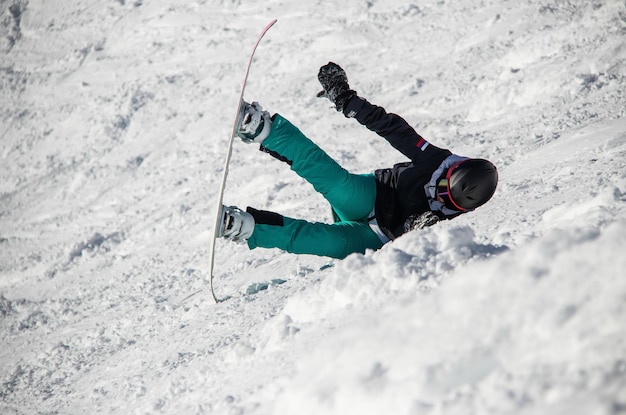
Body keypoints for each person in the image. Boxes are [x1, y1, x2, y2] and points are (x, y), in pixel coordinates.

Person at [217, 62, 498, 259]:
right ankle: (260, 128)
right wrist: (346, 99)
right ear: (453, 170)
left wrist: (414, 233)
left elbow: (428, 251)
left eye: (449, 201)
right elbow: (393, 129)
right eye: (443, 187)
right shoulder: (435, 160)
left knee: (324, 241)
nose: (440, 196)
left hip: (377, 238)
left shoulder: (459, 223)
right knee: (331, 178)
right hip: (374, 195)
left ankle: (242, 225)